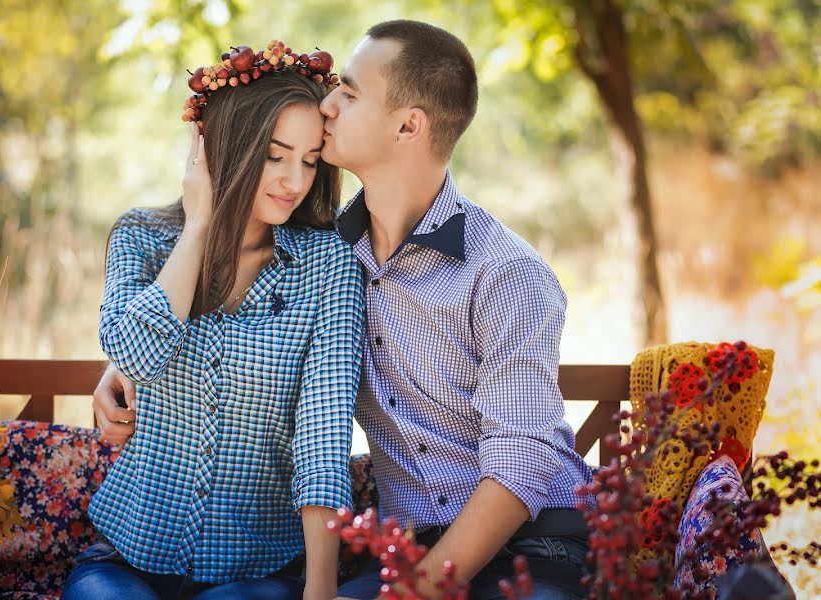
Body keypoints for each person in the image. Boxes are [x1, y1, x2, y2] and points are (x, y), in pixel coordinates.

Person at [95, 21, 595, 600]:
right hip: (404, 546)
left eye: (350, 93)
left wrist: (418, 588)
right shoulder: (331, 256)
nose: (328, 102)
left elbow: (524, 459)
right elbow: (209, 325)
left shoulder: (504, 272)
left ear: (409, 124)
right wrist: (122, 368)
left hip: (531, 543)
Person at [65, 41, 364, 600]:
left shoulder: (329, 265)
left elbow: (323, 431)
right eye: (274, 155)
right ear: (222, 149)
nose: (294, 181)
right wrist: (199, 224)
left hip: (257, 568)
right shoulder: (143, 238)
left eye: (308, 159)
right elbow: (135, 356)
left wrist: (320, 586)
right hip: (126, 557)